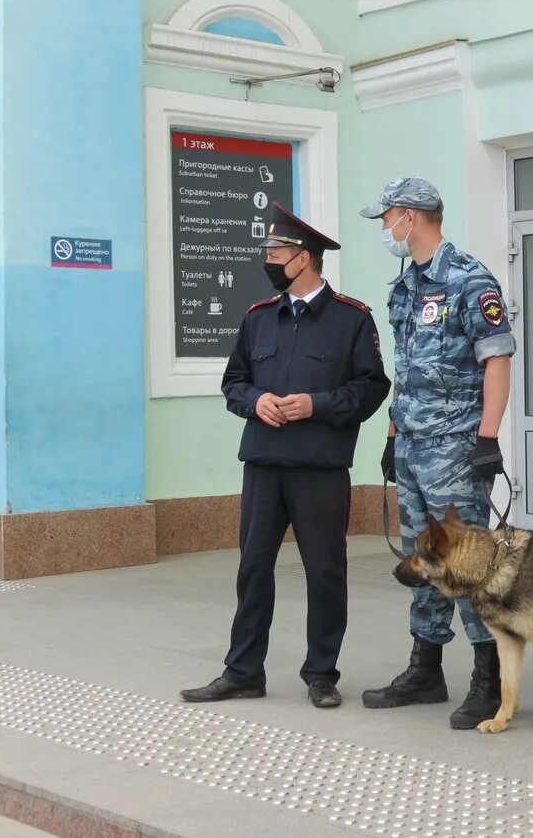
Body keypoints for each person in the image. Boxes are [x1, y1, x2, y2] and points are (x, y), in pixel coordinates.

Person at [180, 202, 391, 708]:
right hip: (264, 464)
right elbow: (234, 382)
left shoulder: (351, 320)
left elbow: (372, 388)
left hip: (319, 468)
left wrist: (315, 405)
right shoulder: (258, 319)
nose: (268, 260)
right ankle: (243, 670)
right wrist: (257, 401)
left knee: (324, 571)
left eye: (276, 252)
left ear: (305, 258)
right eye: (268, 252)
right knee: (253, 568)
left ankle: (322, 673)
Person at [358, 177, 516, 729]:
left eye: (386, 218)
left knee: (468, 559)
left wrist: (488, 438)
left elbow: (497, 359)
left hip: (456, 444)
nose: (384, 229)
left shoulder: (471, 280)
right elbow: (406, 371)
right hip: (412, 443)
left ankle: (489, 678)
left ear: (410, 216)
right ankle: (426, 669)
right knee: (421, 554)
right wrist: (392, 434)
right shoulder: (405, 288)